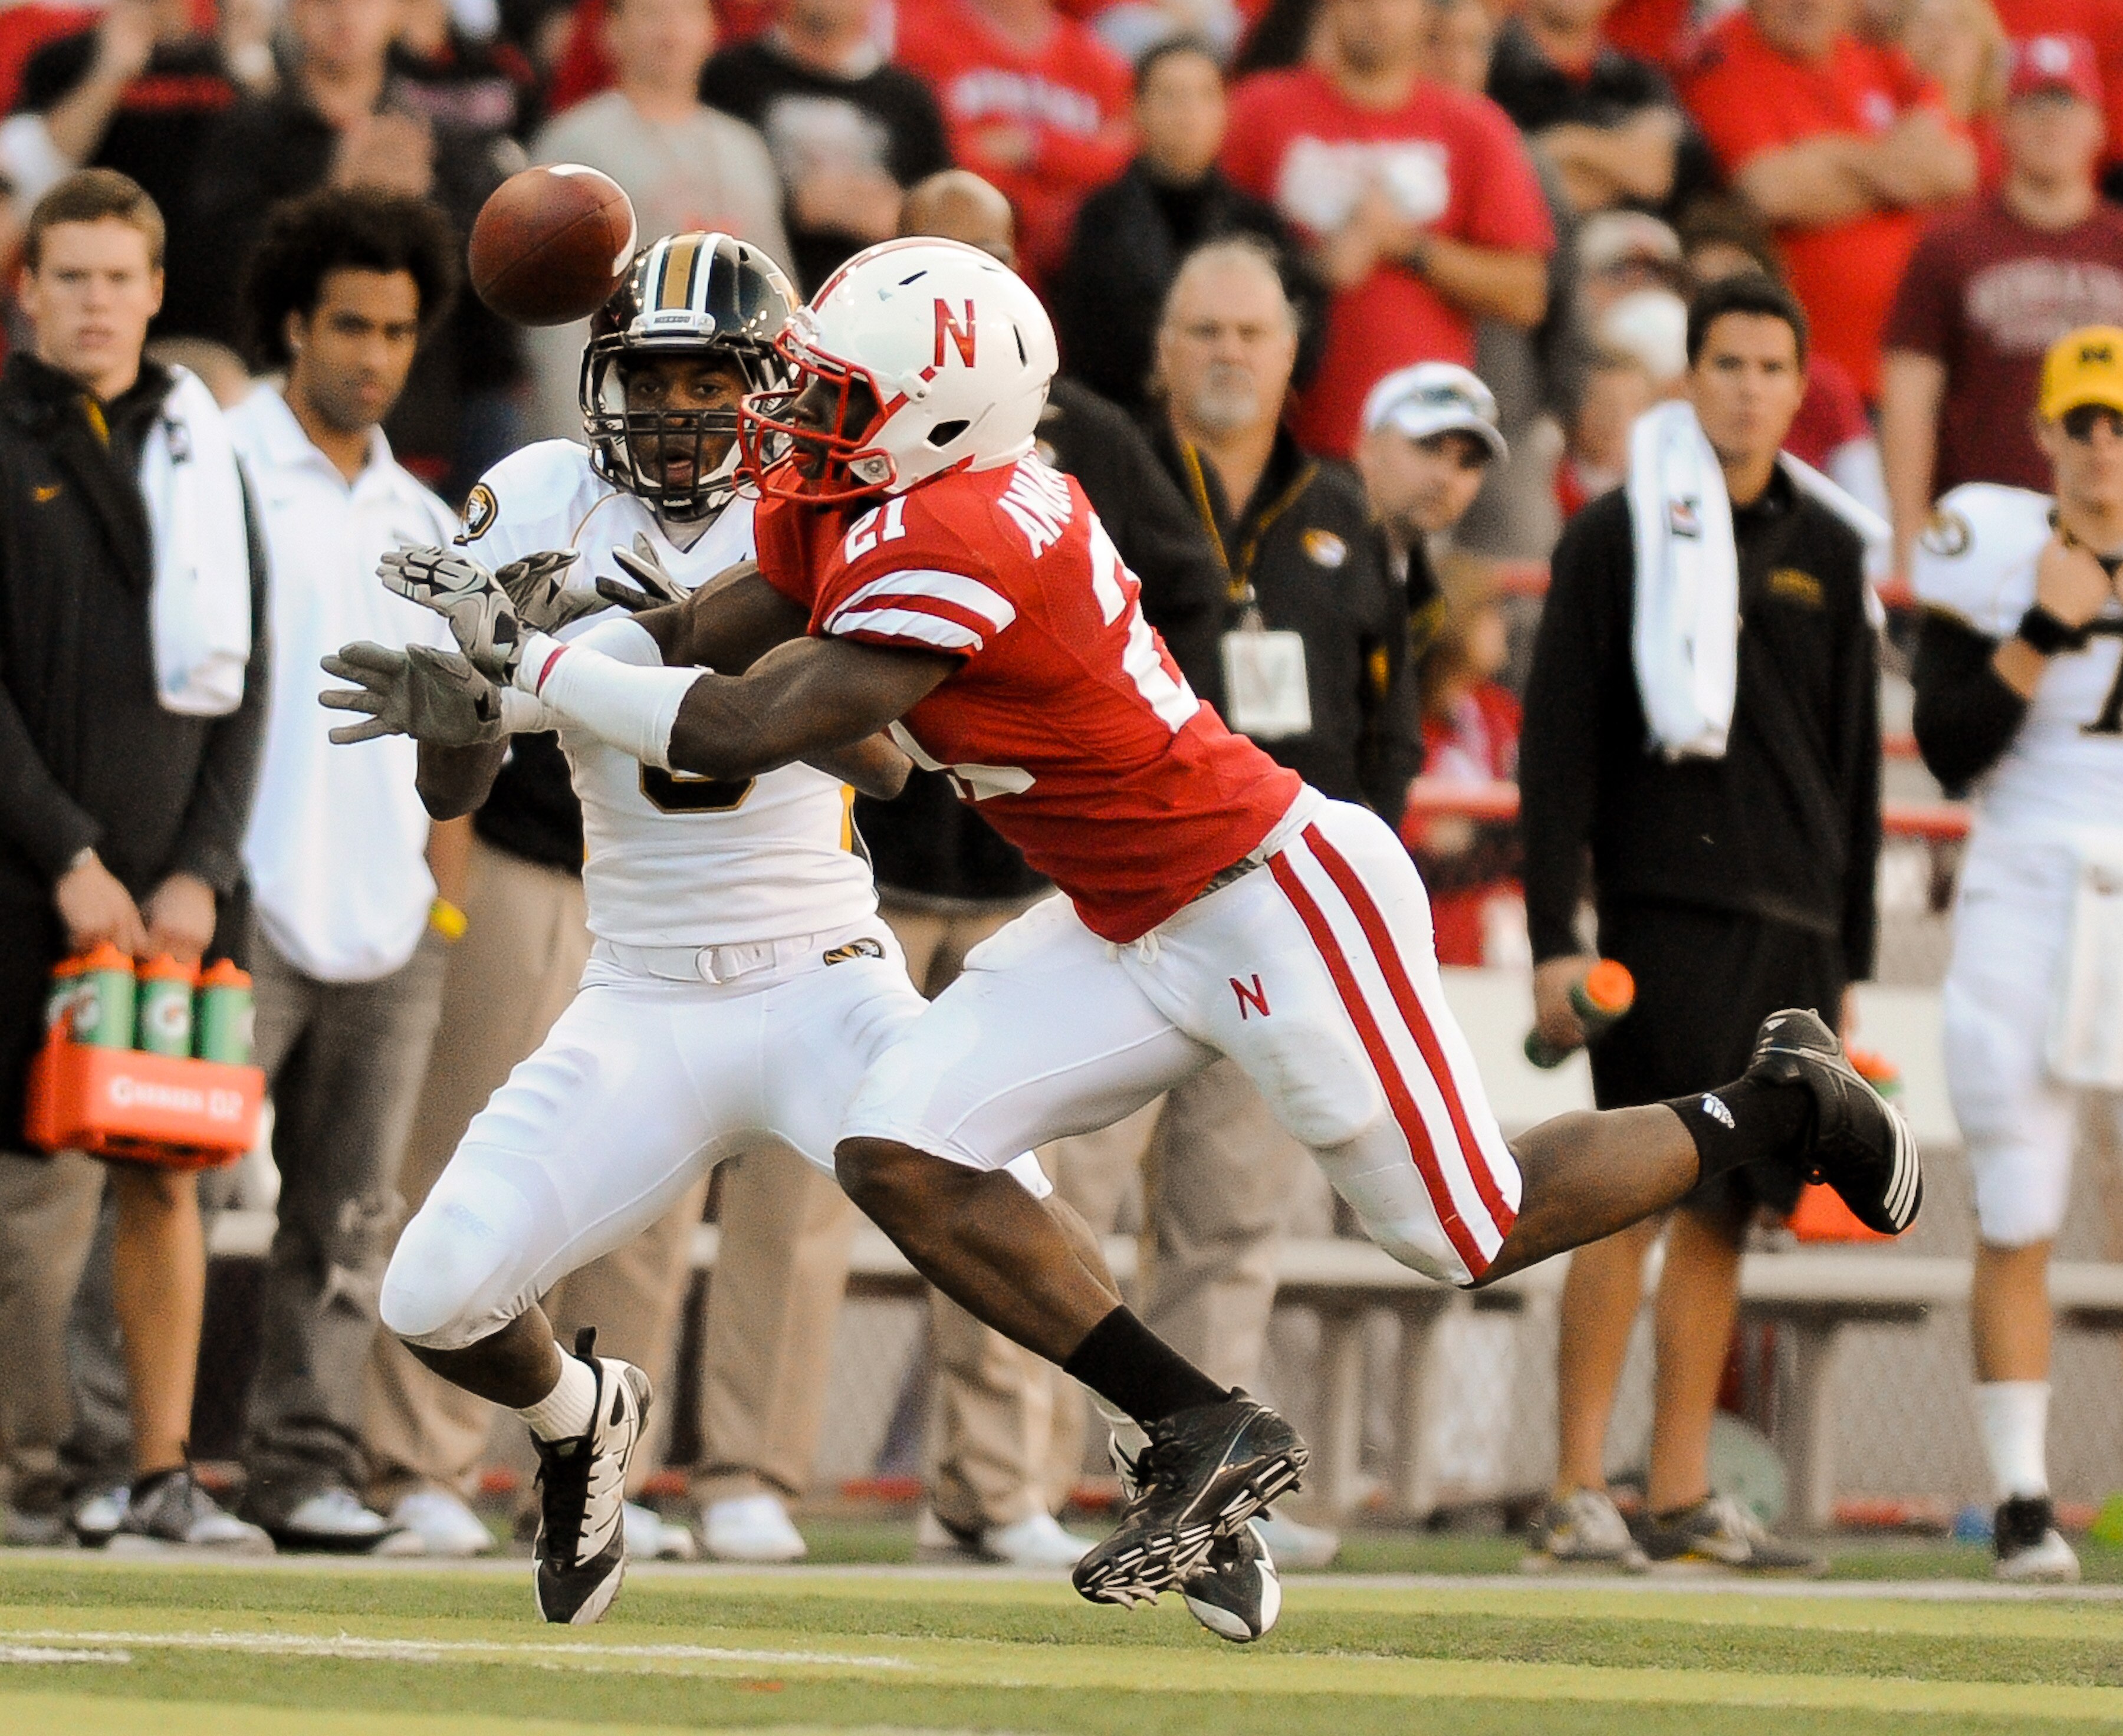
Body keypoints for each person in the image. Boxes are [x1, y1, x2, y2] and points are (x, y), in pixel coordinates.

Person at [372, 232, 1921, 1625]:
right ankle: (1201, 1429)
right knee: (903, 1148)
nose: (799, 413)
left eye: (839, 390)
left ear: (935, 409)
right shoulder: (867, 491)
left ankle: (1776, 1098)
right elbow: (716, 629)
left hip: (1268, 895)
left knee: (1461, 1230)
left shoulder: (971, 528)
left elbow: (747, 721)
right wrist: (563, 639)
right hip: (1118, 916)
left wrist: (535, 673)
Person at [324, 231, 1054, 1625]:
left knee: (1006, 1204)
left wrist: (679, 645)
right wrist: (473, 705)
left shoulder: (828, 505)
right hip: (641, 982)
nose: (672, 412)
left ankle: (1182, 1437)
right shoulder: (539, 495)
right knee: (431, 1289)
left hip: (823, 963)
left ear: (769, 383)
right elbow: (457, 775)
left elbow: (890, 763)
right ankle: (579, 1413)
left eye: (708, 379)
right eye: (649, 381)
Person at [867, 169, 1230, 1571]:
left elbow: (1190, 601)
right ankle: (742, 1466)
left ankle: (1001, 1470)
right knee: (845, 1170)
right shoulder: (849, 446)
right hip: (882, 866)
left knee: (1011, 1172)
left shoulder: (1086, 449)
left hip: (1035, 872)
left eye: (979, 259)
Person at [1517, 273, 1884, 1574]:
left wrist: (1852, 964)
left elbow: (1857, 766)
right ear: (1693, 378)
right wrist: (1556, 930)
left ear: (1798, 384)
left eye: (1770, 365)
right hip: (1661, 915)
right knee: (1625, 1196)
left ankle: (1677, 1491)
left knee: (1729, 1208)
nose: (1746, 386)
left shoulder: (1835, 550)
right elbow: (1554, 747)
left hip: (1792, 926)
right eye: (1724, 362)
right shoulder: (1619, 534)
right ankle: (1573, 1485)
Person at [0, 169, 268, 1553]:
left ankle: (161, 1475)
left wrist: (202, 867)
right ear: (28, 284)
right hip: (26, 877)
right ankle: (28, 1482)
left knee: (169, 1175)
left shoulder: (202, 444)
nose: (96, 301)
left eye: (120, 277)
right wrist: (67, 852)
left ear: (158, 289)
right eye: (72, 275)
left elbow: (254, 677)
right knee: (28, 1200)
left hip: (173, 888)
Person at [218, 188, 469, 1551]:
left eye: (398, 330)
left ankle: (299, 1470)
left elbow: (458, 728)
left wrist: (445, 893)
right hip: (236, 894)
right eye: (351, 325)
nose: (375, 354)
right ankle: (93, 1463)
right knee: (155, 1188)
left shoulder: (428, 519)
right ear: (295, 324)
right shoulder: (214, 463)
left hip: (392, 912)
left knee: (350, 1223)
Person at [1907, 324, 2123, 1583]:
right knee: (2020, 1192)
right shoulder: (1993, 539)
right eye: (2084, 421)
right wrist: (2045, 619)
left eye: (2121, 422)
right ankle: (2028, 1497)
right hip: (2029, 880)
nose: (2105, 445)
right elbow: (1948, 742)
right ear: (2043, 431)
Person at [186, 0, 525, 494]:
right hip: (283, 437)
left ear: (395, 14)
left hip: (427, 437)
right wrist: (338, 191)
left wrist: (421, 210)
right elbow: (219, 272)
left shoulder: (439, 141)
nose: (343, 15)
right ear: (296, 14)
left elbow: (488, 293)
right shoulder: (246, 134)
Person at [1220, 0, 1555, 458]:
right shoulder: (1258, 111)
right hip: (1274, 438)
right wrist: (1315, 268)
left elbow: (1527, 292)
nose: (1376, 11)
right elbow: (1206, 255)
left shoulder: (1475, 128)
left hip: (1421, 446)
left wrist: (1410, 246)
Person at [1879, 34, 2123, 579]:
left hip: (2113, 531)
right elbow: (1910, 400)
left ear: (2100, 125)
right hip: (1981, 530)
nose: (2050, 122)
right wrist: (1908, 542)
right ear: (2002, 123)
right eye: (2034, 103)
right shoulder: (1950, 245)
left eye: (2068, 103)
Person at [1677, 0, 1977, 403]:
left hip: (1910, 373)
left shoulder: (1876, 58)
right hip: (1797, 381)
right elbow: (1769, 191)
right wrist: (1891, 163)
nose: (1810, 5)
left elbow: (1955, 169)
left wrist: (1826, 157)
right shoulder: (1724, 55)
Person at [525, 0, 791, 443]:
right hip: (628, 403)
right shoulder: (574, 143)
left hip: (735, 414)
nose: (670, 30)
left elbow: (778, 295)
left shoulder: (744, 147)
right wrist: (586, 430)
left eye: (687, 13)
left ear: (712, 31)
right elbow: (556, 311)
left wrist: (780, 417)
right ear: (610, 32)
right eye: (652, 13)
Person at [1056, 37, 1301, 416]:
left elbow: (1304, 331)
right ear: (1136, 110)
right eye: (1170, 95)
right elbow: (1091, 340)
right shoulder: (1100, 219)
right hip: (1129, 422)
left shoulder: (1261, 223)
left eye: (1204, 95)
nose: (1187, 111)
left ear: (1225, 110)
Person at [6, 0, 245, 337]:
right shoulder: (64, 57)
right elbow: (37, 166)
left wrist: (246, 65)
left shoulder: (230, 56)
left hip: (210, 299)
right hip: (95, 295)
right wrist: (110, 71)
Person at [698, 0, 952, 294]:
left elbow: (944, 219)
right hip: (748, 300)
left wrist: (903, 217)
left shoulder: (911, 99)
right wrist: (789, 203)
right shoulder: (725, 80)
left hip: (881, 305)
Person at [890, 0, 1133, 288]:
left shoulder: (1099, 60)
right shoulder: (926, 40)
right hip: (970, 246)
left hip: (1078, 251)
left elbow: (1118, 159)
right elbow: (941, 152)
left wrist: (1035, 147)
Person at [1483, 0, 1710, 218]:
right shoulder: (1485, 65)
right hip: (1530, 243)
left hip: (1644, 242)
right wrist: (1619, 163)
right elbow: (1504, 182)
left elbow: (1654, 174)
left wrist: (1569, 143)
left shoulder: (1640, 80)